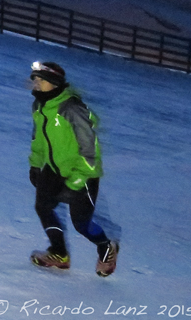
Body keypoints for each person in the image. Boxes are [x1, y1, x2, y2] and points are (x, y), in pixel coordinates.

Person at [27, 61, 119, 277]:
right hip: (53, 168)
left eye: (41, 80)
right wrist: (35, 164)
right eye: (35, 80)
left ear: (54, 83)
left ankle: (106, 247)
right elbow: (38, 139)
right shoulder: (40, 106)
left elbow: (90, 150)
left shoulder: (72, 108)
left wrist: (78, 178)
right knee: (43, 207)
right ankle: (59, 254)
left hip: (82, 173)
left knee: (81, 223)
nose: (36, 84)